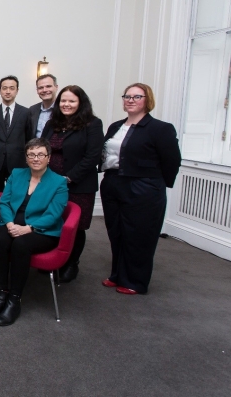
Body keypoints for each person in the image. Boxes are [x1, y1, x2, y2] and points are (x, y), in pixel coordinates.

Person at [100, 83, 181, 295]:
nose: (131, 100)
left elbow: (172, 161)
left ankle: (135, 281)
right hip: (113, 183)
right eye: (127, 96)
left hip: (143, 187)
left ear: (147, 100)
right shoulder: (116, 126)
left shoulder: (160, 128)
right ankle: (117, 274)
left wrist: (156, 184)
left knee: (139, 235)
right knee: (116, 231)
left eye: (137, 97)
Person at [0, 138, 68, 326]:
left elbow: (54, 214)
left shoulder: (59, 182)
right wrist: (9, 223)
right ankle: (1, 295)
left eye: (40, 155)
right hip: (13, 222)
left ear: (48, 157)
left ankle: (14, 300)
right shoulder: (17, 174)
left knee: (21, 244)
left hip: (42, 230)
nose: (35, 158)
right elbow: (4, 202)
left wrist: (29, 228)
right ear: (26, 157)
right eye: (31, 155)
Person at [41, 85, 104, 282]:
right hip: (50, 184)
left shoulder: (92, 124)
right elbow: (42, 148)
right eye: (63, 101)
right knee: (52, 221)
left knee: (75, 226)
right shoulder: (52, 123)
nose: (66, 104)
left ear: (80, 103)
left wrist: (68, 178)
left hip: (78, 185)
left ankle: (71, 263)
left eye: (72, 101)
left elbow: (92, 156)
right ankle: (53, 260)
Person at [0, 76, 31, 192]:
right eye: (4, 88)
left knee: (18, 194)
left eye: (12, 88)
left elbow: (30, 138)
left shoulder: (26, 113)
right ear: (0, 90)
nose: (8, 91)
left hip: (18, 162)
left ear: (17, 90)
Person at [29, 74, 58, 138]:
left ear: (56, 87)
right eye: (41, 88)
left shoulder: (63, 108)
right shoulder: (32, 110)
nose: (44, 90)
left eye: (48, 86)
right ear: (37, 90)